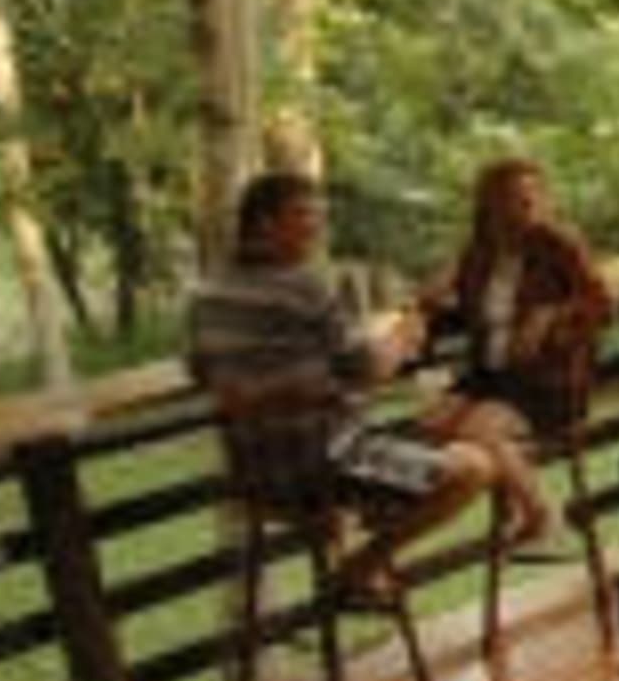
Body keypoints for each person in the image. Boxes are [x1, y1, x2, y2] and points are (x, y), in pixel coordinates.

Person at [190, 173, 494, 602]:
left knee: (426, 439)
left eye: (319, 216)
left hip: (252, 476)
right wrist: (412, 323)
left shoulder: (207, 292)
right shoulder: (302, 286)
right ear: (263, 223)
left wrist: (300, 379)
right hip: (326, 467)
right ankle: (359, 568)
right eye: (305, 216)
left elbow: (204, 370)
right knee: (473, 467)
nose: (317, 228)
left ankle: (364, 556)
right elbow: (371, 369)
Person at [417, 158, 613, 549]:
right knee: (429, 425)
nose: (530, 205)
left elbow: (603, 304)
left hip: (544, 380)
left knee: (476, 432)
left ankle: (540, 517)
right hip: (489, 374)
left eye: (535, 195)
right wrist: (430, 305)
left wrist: (551, 315)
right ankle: (505, 494)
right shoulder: (478, 253)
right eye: (516, 198)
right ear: (490, 205)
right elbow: (464, 308)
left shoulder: (560, 244)